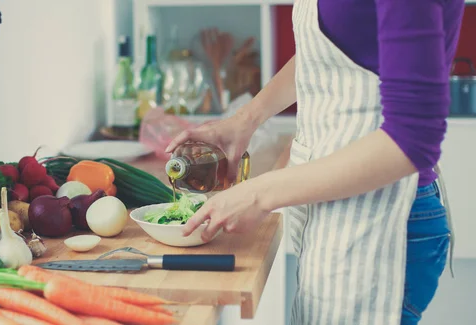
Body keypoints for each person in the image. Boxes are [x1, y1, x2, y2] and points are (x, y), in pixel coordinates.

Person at [165, 0, 464, 324]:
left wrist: (259, 193)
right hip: (337, 211)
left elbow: (412, 140)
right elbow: (333, 48)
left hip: (384, 218)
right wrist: (245, 121)